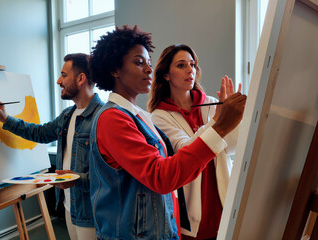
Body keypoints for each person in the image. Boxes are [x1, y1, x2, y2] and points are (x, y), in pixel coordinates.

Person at [88, 25, 246, 240]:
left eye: (149, 64)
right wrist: (219, 126)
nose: (148, 70)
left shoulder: (138, 115)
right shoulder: (113, 119)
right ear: (115, 70)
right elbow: (161, 176)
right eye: (138, 62)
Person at [0, 53, 104, 240]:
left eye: (64, 75)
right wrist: (5, 119)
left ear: (81, 79)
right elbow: (39, 133)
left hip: (91, 212)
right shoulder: (67, 115)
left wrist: (76, 179)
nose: (59, 81)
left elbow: (110, 174)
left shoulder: (104, 118)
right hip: (69, 205)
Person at [148, 44, 241, 240]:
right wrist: (218, 121)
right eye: (181, 65)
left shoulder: (211, 103)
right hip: (192, 209)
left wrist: (235, 118)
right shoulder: (159, 116)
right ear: (166, 74)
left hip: (223, 199)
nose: (190, 70)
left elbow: (231, 146)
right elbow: (185, 149)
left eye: (192, 64)